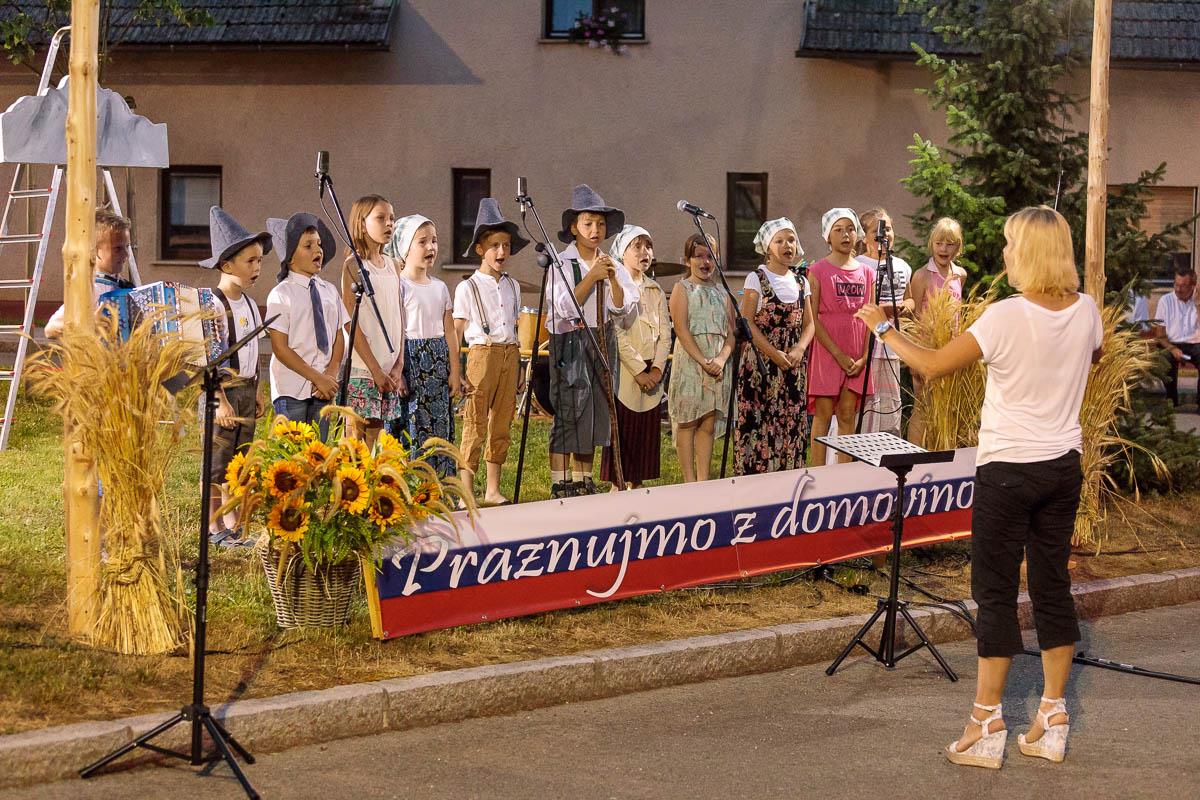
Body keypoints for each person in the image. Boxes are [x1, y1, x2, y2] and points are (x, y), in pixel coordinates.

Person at [856, 206, 1103, 770]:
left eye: (1012, 244)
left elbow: (933, 365)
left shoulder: (1005, 316)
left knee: (995, 592)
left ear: (1031, 253)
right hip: (1062, 467)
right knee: (1052, 587)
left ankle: (986, 722)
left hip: (1008, 470)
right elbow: (1095, 353)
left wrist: (882, 328)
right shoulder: (1087, 310)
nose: (1006, 252)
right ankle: (1053, 715)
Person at [545, 184, 638, 498]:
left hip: (602, 338)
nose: (595, 230)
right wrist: (591, 277)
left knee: (596, 409)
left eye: (600, 224)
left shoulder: (612, 264)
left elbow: (622, 310)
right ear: (574, 227)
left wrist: (611, 279)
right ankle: (561, 481)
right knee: (571, 408)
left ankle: (583, 479)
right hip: (571, 341)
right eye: (588, 224)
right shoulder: (562, 264)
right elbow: (564, 307)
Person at [197, 206, 271, 547]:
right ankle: (213, 526)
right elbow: (208, 358)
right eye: (250, 261)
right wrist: (220, 401)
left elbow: (254, 350)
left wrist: (257, 390)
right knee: (216, 463)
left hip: (246, 390)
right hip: (222, 393)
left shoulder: (251, 305)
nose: (257, 268)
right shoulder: (213, 304)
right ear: (226, 265)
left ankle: (234, 522)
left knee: (240, 462)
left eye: (259, 261)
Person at [453, 198, 528, 505]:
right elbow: (457, 331)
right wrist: (456, 370)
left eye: (506, 245)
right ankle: (466, 491)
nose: (501, 252)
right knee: (475, 421)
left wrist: (519, 366)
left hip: (509, 353)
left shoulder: (513, 286)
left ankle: (493, 490)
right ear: (480, 249)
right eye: (495, 245)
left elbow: (514, 328)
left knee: (501, 423)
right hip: (482, 355)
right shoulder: (468, 287)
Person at [386, 214, 464, 477]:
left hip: (438, 362)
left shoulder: (440, 288)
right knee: (411, 423)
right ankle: (412, 480)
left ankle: (440, 481)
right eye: (422, 242)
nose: (431, 247)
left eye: (434, 241)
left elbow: (449, 331)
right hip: (411, 361)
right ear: (405, 248)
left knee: (438, 425)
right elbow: (395, 330)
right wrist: (397, 372)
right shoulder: (399, 286)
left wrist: (455, 370)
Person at [735, 217, 815, 474]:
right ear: (767, 247)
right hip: (761, 365)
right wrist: (773, 353)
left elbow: (809, 324)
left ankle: (788, 479)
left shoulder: (801, 282)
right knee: (761, 423)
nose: (786, 245)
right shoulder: (756, 278)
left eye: (791, 240)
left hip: (792, 365)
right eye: (779, 241)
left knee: (790, 422)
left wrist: (799, 349)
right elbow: (748, 322)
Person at [265, 212, 347, 438]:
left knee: (317, 450)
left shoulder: (329, 291)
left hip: (322, 388)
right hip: (291, 388)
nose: (317, 250)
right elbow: (280, 347)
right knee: (292, 450)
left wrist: (330, 374)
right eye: (308, 246)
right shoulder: (281, 294)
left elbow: (338, 335)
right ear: (291, 257)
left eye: (319, 244)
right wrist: (316, 377)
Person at [600, 224, 670, 489]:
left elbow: (665, 334)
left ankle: (638, 483)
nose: (645, 252)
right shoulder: (615, 287)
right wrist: (639, 370)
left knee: (644, 432)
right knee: (624, 430)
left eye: (648, 246)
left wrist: (658, 369)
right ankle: (617, 483)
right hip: (626, 369)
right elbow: (616, 333)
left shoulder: (655, 290)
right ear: (622, 252)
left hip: (652, 370)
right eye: (637, 246)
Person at [806, 208, 873, 466]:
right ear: (828, 236)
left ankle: (844, 476)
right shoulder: (818, 270)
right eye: (839, 230)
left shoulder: (867, 273)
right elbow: (813, 317)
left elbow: (871, 316)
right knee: (823, 413)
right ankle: (818, 473)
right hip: (828, 349)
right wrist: (837, 354)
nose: (846, 235)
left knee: (847, 414)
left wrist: (864, 357)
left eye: (850, 229)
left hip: (856, 350)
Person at [668, 233, 735, 483]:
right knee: (688, 420)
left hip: (717, 363)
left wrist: (721, 359)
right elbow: (681, 329)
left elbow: (731, 333)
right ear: (688, 260)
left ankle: (703, 480)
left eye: (710, 256)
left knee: (708, 421)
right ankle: (689, 481)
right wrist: (703, 360)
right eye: (698, 256)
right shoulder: (682, 288)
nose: (705, 262)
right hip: (692, 361)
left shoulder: (722, 292)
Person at [342, 195, 404, 446]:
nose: (389, 224)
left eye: (392, 218)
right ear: (361, 223)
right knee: (356, 440)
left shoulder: (394, 266)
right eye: (381, 218)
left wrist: (399, 363)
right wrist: (375, 369)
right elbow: (350, 321)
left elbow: (399, 316)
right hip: (365, 368)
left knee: (375, 440)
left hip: (389, 369)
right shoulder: (353, 266)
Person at [904, 216, 968, 446]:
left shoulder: (960, 275)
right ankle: (915, 452)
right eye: (939, 243)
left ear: (957, 247)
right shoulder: (923, 275)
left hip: (951, 350)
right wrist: (913, 357)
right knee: (923, 405)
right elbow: (913, 317)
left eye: (950, 244)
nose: (944, 249)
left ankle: (938, 451)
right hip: (926, 349)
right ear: (932, 244)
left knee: (946, 405)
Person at [856, 208, 913, 438]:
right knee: (869, 402)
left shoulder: (902, 265)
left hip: (892, 346)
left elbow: (910, 298)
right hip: (868, 346)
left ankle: (888, 444)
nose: (884, 234)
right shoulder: (859, 265)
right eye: (877, 230)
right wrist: (882, 310)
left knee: (890, 403)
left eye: (888, 228)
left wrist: (905, 306)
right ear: (864, 237)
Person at [44, 208, 135, 338]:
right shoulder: (90, 288)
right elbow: (50, 329)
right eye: (118, 248)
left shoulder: (124, 286)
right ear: (93, 250)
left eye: (127, 247)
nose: (126, 254)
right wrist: (90, 324)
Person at [1152, 266, 1200, 405]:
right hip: (1171, 343)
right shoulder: (1165, 301)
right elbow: (1160, 334)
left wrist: (1198, 304)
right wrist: (1172, 349)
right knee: (1166, 358)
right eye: (1176, 284)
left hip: (1195, 344)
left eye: (1183, 286)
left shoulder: (1198, 301)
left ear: (1193, 286)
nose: (1178, 289)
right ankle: (1171, 402)